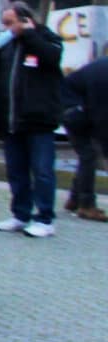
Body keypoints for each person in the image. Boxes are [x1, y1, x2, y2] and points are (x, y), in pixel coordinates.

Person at [0, 3, 65, 237]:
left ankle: (45, 218)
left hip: (38, 119)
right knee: (17, 170)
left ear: (25, 20)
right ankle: (20, 214)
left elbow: (51, 57)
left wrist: (30, 34)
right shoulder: (8, 45)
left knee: (42, 170)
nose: (7, 28)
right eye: (5, 23)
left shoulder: (45, 38)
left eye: (11, 23)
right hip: (12, 120)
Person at [61, 55, 108, 222]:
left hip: (78, 107)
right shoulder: (105, 75)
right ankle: (86, 205)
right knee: (89, 155)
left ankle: (74, 199)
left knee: (87, 154)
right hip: (73, 110)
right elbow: (102, 116)